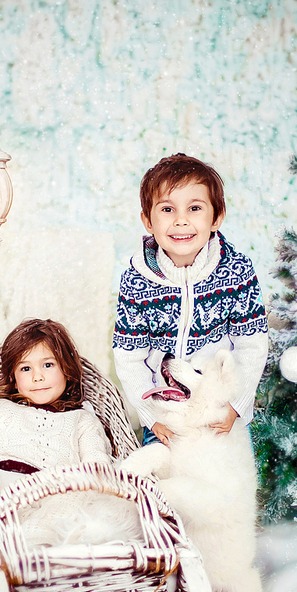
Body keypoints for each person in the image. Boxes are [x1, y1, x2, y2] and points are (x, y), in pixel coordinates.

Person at [113, 153, 268, 446]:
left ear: (216, 218)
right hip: (166, 412)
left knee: (226, 473)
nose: (181, 220)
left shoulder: (236, 272)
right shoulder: (136, 281)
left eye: (194, 208)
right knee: (164, 472)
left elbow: (251, 346)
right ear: (148, 221)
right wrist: (150, 416)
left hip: (219, 408)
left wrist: (235, 406)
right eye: (167, 209)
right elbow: (129, 356)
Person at [0, 318, 114, 529]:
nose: (37, 377)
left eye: (48, 365)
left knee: (79, 500)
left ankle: (32, 539)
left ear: (67, 370)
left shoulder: (82, 420)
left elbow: (97, 465)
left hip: (52, 495)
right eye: (25, 368)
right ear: (13, 378)